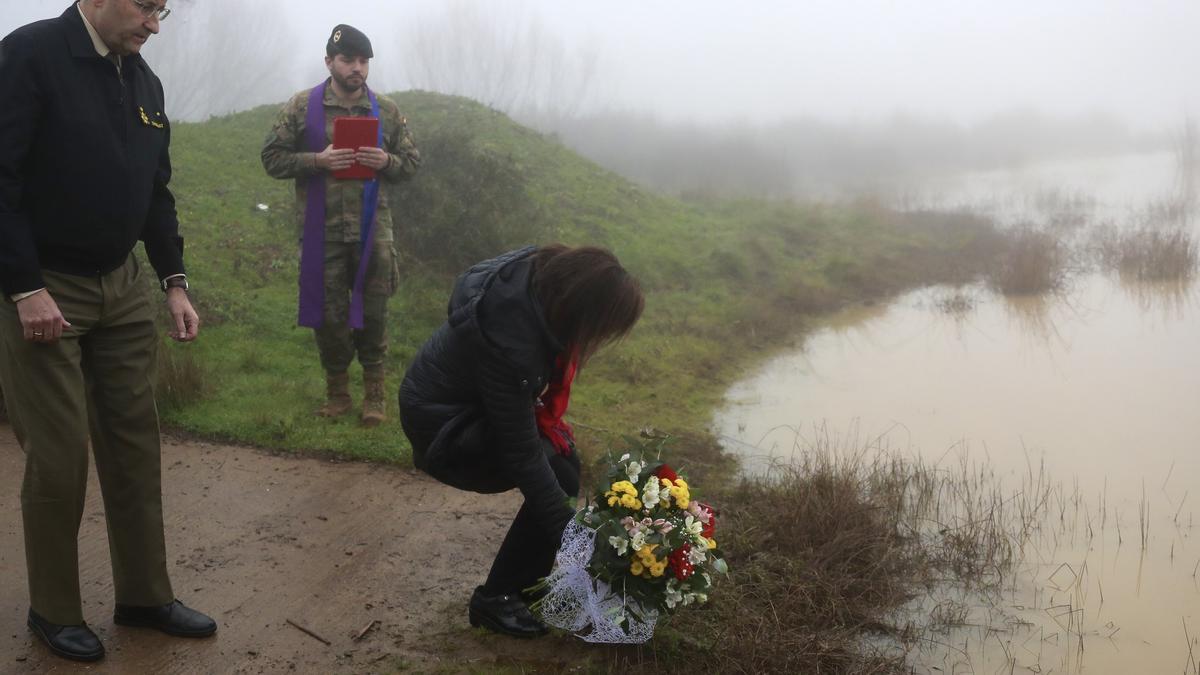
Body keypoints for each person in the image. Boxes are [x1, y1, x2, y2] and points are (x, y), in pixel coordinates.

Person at [0, 0, 216, 663]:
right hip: (45, 288)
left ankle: (145, 594)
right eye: (145, 6)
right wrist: (25, 287)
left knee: (133, 441)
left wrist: (173, 280)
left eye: (163, 10)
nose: (155, 24)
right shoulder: (30, 56)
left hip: (121, 287)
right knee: (61, 450)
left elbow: (156, 191)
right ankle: (54, 609)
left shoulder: (143, 80)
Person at [400, 244, 644, 637]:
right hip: (442, 430)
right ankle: (495, 601)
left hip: (461, 409)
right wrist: (582, 546)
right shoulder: (510, 344)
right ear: (582, 308)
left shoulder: (538, 286)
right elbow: (523, 457)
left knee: (562, 465)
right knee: (550, 469)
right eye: (601, 325)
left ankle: (515, 590)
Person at [262, 24, 421, 427]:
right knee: (327, 315)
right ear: (329, 61)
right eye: (348, 60)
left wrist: (387, 162)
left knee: (374, 312)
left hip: (373, 233)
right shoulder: (301, 107)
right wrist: (317, 160)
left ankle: (375, 398)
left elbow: (412, 163)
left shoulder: (385, 109)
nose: (357, 69)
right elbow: (272, 158)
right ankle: (337, 394)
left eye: (363, 61)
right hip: (323, 231)